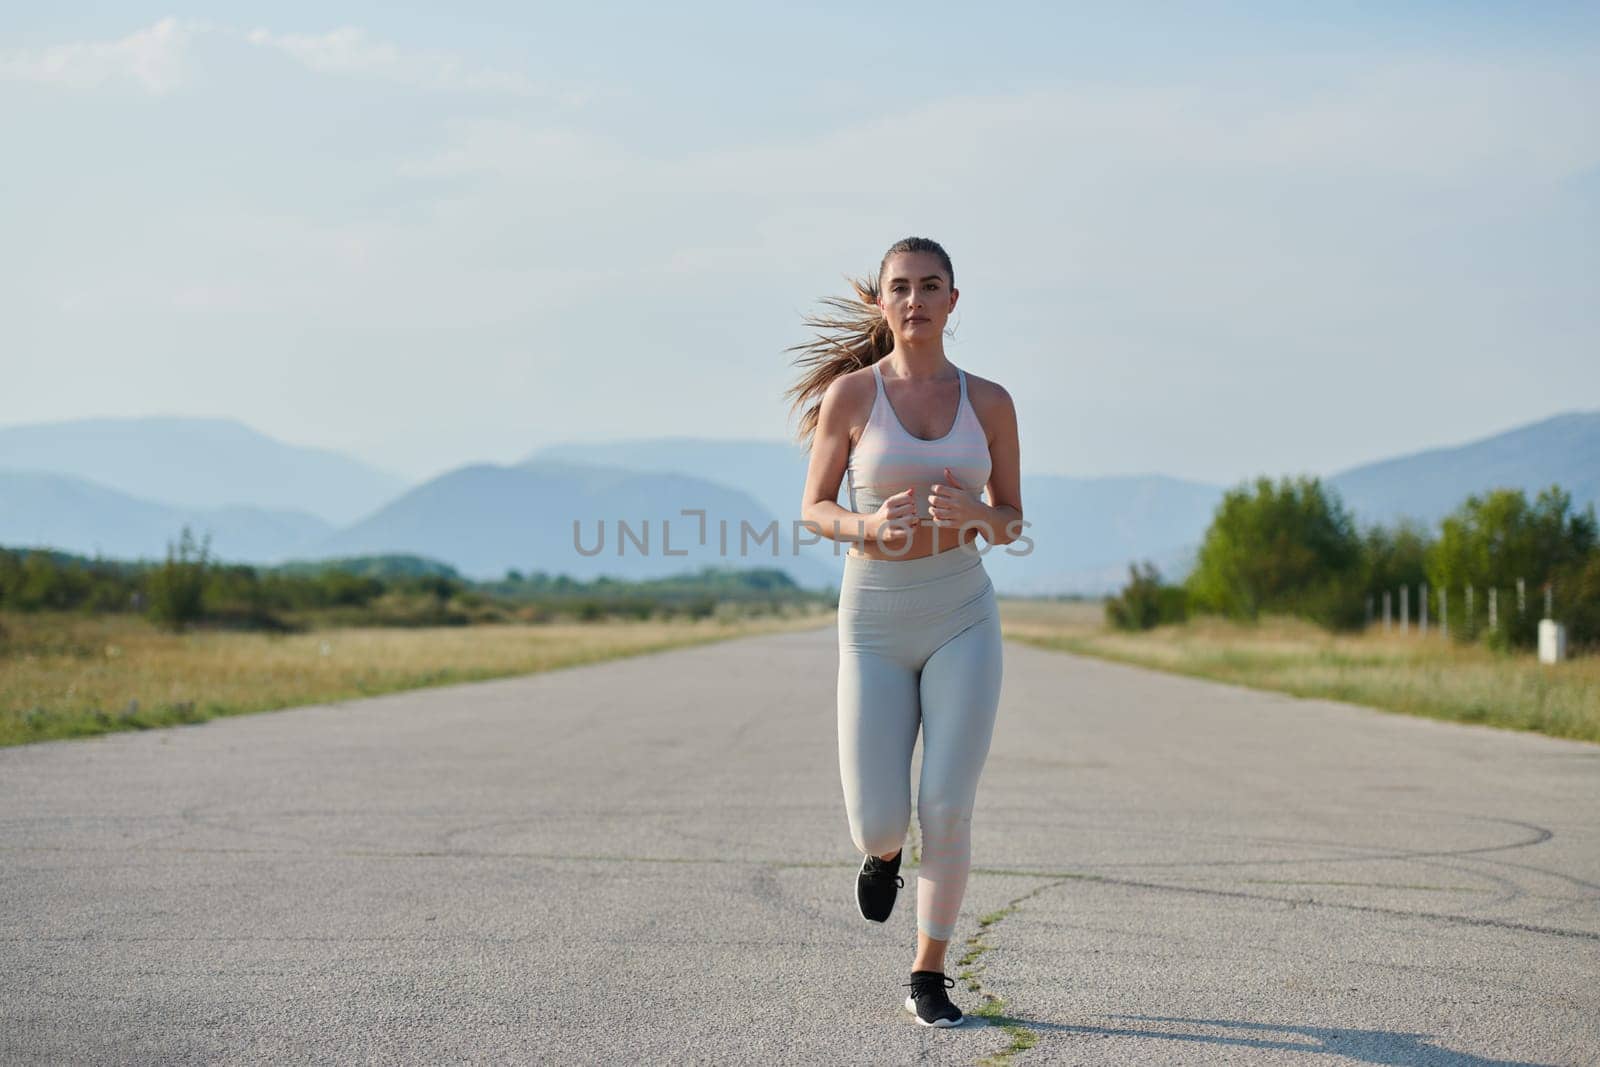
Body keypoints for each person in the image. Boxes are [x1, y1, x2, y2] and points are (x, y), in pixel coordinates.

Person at [788, 236, 1025, 1027]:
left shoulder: (989, 401)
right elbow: (813, 507)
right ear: (882, 303)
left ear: (954, 301)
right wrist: (864, 523)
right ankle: (883, 854)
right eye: (902, 287)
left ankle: (929, 970)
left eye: (931, 286)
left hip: (962, 612)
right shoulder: (852, 398)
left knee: (948, 804)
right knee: (881, 818)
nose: (917, 299)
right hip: (876, 621)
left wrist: (981, 516)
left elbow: (1012, 515)